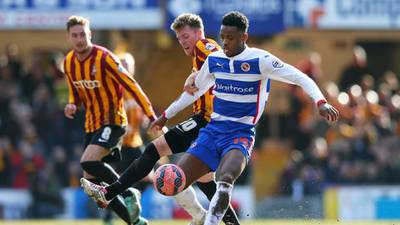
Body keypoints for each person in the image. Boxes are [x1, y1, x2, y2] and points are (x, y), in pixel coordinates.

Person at [150, 11, 338, 225]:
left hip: (240, 134)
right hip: (212, 132)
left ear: (244, 38)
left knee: (225, 178)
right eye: (223, 37)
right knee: (176, 180)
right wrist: (166, 115)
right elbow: (194, 91)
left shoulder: (261, 60)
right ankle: (200, 217)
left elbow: (299, 77)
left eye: (230, 38)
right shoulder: (215, 60)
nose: (225, 43)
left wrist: (321, 102)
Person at [81, 13, 241, 225]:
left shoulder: (204, 46)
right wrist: (167, 115)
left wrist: (195, 75)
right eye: (179, 38)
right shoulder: (198, 59)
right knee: (205, 182)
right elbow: (194, 90)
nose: (182, 42)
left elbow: (219, 57)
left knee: (154, 150)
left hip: (207, 120)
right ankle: (224, 222)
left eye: (185, 36)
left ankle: (110, 192)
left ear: (198, 33)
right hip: (206, 121)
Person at [63, 15, 156, 225]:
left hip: (112, 121)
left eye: (83, 35)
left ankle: (129, 191)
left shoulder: (105, 58)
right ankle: (135, 222)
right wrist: (72, 105)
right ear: (69, 37)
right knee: (92, 182)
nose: (79, 39)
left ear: (90, 35)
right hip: (91, 125)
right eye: (75, 35)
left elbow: (132, 85)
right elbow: (74, 94)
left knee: (87, 161)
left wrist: (152, 116)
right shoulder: (68, 63)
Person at [102, 52, 149, 225]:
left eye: (127, 65)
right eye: (121, 65)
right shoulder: (112, 91)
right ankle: (110, 215)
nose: (124, 68)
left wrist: (145, 121)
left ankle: (130, 200)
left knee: (149, 177)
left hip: (135, 142)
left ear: (133, 68)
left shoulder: (136, 90)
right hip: (117, 145)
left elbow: (143, 115)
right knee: (111, 180)